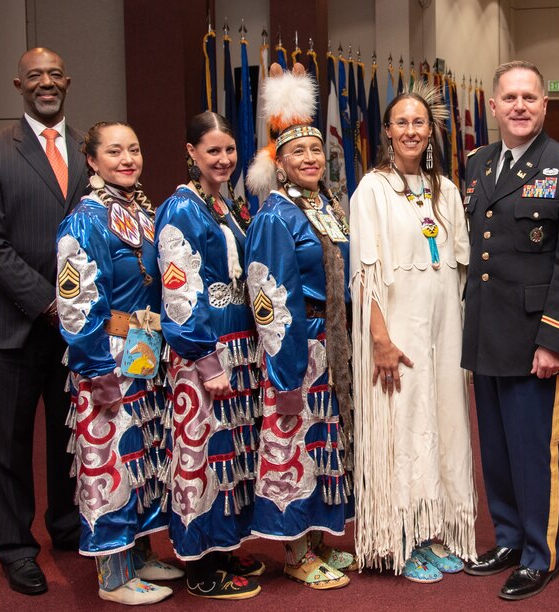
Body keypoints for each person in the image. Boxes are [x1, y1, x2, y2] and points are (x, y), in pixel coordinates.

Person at [461, 60, 559, 601]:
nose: (520, 106)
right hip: (486, 333)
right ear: (493, 107)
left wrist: (555, 340)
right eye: (510, 98)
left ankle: (538, 554)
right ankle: (507, 538)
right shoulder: (477, 164)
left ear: (545, 106)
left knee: (534, 451)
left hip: (534, 338)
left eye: (530, 98)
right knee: (495, 449)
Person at [0, 47, 87, 595]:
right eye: (34, 75)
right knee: (8, 447)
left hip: (73, 332)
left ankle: (65, 527)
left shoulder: (88, 150)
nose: (45, 82)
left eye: (54, 74)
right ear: (18, 84)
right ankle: (16, 548)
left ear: (67, 81)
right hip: (14, 326)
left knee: (70, 439)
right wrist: (50, 300)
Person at [349, 86, 476, 583]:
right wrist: (379, 339)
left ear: (431, 131)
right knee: (401, 427)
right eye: (400, 122)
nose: (410, 131)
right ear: (387, 131)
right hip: (395, 333)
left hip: (443, 332)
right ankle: (398, 539)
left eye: (419, 123)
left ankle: (434, 529)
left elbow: (461, 270)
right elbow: (367, 275)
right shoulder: (371, 190)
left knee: (444, 424)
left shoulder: (443, 190)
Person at [55, 121, 182, 605]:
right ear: (91, 161)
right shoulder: (86, 219)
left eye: (134, 148)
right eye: (114, 151)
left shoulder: (139, 211)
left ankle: (139, 551)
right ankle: (112, 574)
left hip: (144, 353)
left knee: (141, 455)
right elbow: (76, 303)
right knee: (107, 457)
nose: (127, 159)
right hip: (107, 356)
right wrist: (94, 370)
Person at [244, 62, 356, 590]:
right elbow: (269, 297)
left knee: (322, 445)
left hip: (333, 347)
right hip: (298, 349)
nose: (310, 158)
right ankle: (292, 550)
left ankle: (316, 538)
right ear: (279, 164)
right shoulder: (274, 215)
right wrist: (285, 372)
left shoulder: (330, 204)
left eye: (315, 150)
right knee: (292, 445)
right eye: (298, 153)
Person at [154, 111, 263, 599]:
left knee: (229, 454)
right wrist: (204, 358)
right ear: (191, 152)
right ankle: (198, 563)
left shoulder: (224, 204)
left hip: (238, 344)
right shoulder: (181, 209)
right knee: (200, 453)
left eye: (230, 150)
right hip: (205, 349)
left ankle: (223, 544)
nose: (224, 159)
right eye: (213, 151)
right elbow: (179, 293)